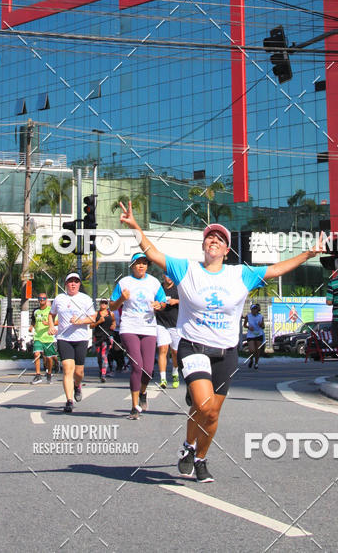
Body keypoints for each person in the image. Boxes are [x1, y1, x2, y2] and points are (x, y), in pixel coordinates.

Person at [119, 202, 322, 482]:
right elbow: (153, 253)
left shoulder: (240, 274)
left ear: (227, 251)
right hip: (193, 347)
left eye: (220, 239)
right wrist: (135, 227)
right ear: (204, 245)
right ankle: (190, 442)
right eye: (209, 237)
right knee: (202, 404)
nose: (213, 240)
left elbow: (275, 270)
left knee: (212, 414)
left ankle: (197, 455)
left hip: (226, 352)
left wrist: (307, 254)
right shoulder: (185, 269)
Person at [110, 252, 167, 419]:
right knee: (137, 365)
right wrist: (122, 298)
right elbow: (112, 306)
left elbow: (162, 302)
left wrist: (159, 305)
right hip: (129, 327)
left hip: (149, 328)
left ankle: (143, 393)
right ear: (132, 266)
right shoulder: (124, 282)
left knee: (148, 370)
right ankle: (134, 406)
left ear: (147, 266)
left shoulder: (154, 282)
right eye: (137, 263)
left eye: (144, 263)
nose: (141, 266)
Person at [48, 272, 97, 412]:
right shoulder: (59, 299)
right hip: (64, 339)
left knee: (79, 372)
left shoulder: (85, 299)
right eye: (70, 281)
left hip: (81, 338)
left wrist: (81, 321)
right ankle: (69, 400)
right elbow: (51, 315)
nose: (73, 284)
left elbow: (93, 318)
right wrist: (51, 327)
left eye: (76, 281)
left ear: (79, 284)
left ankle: (77, 385)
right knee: (67, 368)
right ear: (66, 284)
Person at [156, 275, 180, 388]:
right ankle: (163, 379)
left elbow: (187, 301)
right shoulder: (159, 288)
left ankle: (175, 373)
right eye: (166, 275)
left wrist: (176, 301)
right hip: (160, 323)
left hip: (175, 324)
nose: (168, 278)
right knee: (163, 349)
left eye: (171, 276)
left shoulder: (178, 288)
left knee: (175, 352)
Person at [30, 293, 58, 384]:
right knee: (36, 354)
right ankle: (38, 375)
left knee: (49, 358)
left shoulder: (51, 311)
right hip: (38, 337)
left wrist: (49, 324)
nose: (42, 300)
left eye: (43, 298)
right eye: (40, 298)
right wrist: (31, 327)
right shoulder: (36, 311)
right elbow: (33, 321)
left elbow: (57, 321)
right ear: (38, 299)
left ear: (46, 299)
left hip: (48, 338)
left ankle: (49, 374)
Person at [93, 299, 115, 383]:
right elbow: (92, 325)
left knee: (104, 355)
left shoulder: (111, 314)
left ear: (107, 305)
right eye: (102, 303)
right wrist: (99, 322)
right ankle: (100, 370)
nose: (103, 305)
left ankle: (103, 374)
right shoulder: (96, 314)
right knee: (99, 357)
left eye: (105, 303)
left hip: (108, 336)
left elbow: (114, 322)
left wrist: (113, 325)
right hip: (98, 337)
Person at [243, 303, 265, 369]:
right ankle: (251, 360)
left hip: (259, 334)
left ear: (257, 310)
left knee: (258, 349)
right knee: (252, 350)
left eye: (255, 309)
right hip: (251, 334)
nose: (254, 310)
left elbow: (263, 326)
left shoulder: (261, 316)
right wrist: (249, 327)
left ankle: (256, 363)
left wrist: (261, 325)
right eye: (253, 309)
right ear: (251, 310)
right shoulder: (248, 316)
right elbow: (244, 325)